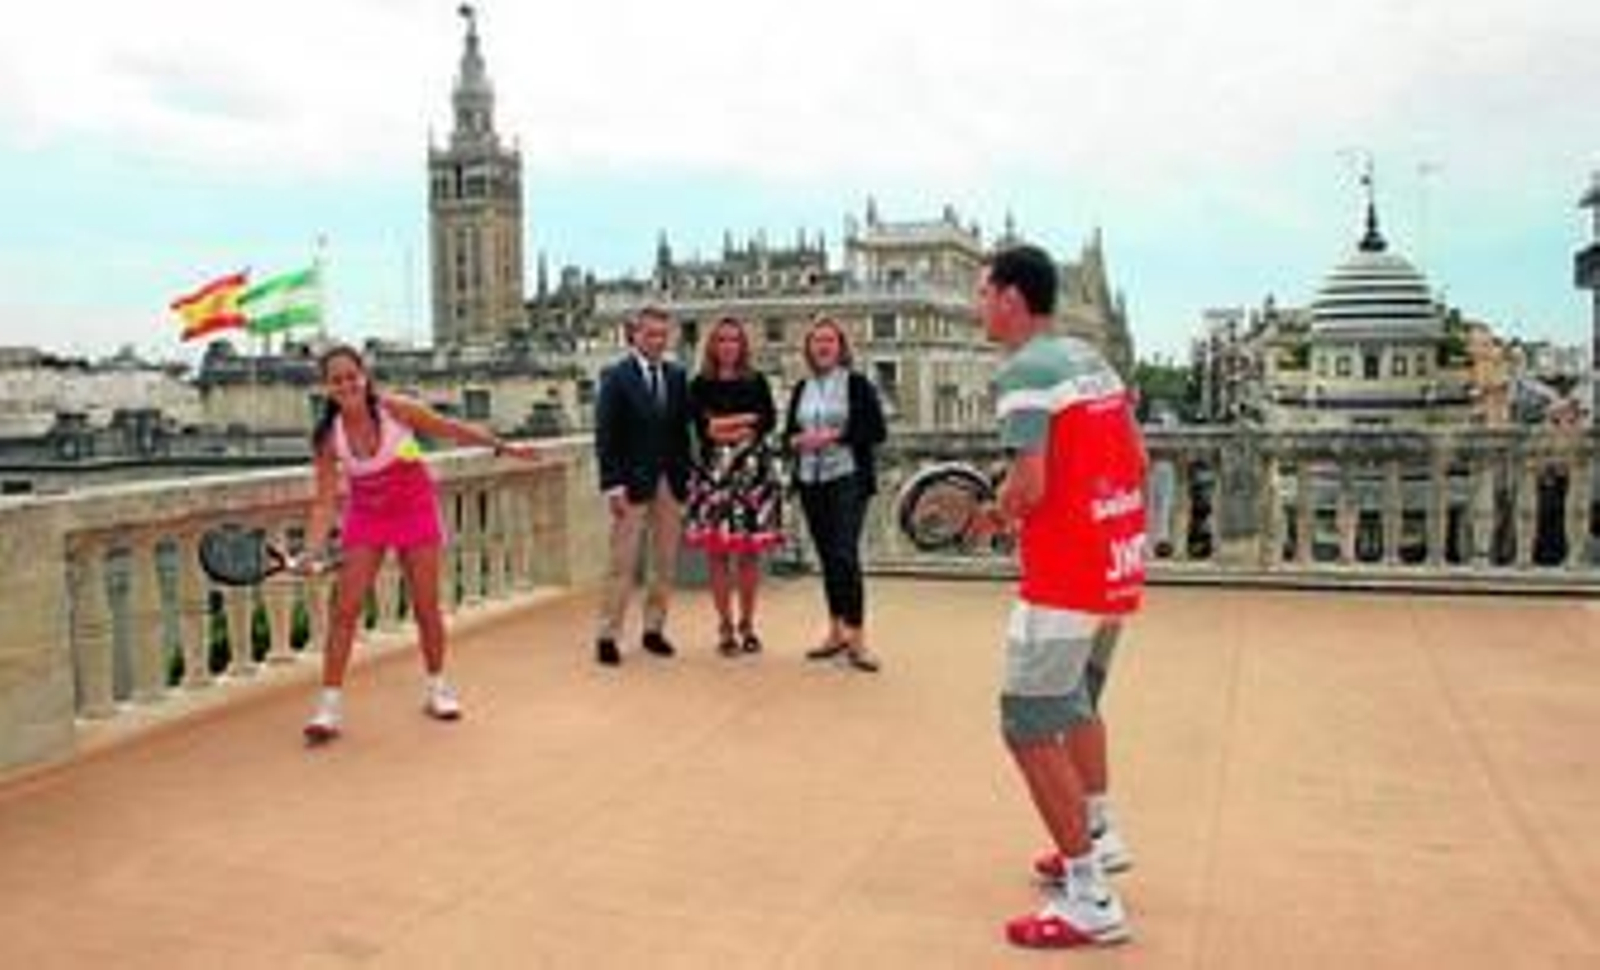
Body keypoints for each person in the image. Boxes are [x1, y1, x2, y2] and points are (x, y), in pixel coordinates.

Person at [975, 244, 1146, 948]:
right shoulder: (1088, 359)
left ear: (1011, 298)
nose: (978, 305)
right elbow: (1137, 458)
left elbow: (1029, 487)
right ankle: (1098, 832)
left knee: (1027, 723)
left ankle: (1090, 897)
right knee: (1076, 704)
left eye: (983, 292)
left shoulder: (1024, 372)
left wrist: (993, 514)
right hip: (1116, 560)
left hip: (1066, 575)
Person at [301, 344, 541, 743]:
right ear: (327, 387)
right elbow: (325, 502)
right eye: (336, 380)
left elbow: (451, 429)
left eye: (351, 376)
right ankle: (329, 708)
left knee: (426, 605)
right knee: (344, 610)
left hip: (414, 508)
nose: (346, 385)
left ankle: (438, 688)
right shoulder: (328, 437)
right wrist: (311, 550)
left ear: (364, 377)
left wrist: (504, 447)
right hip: (367, 516)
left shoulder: (397, 409)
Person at [784, 316, 887, 672]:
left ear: (841, 347)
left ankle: (858, 639)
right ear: (809, 348)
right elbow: (789, 433)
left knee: (845, 555)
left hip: (847, 477)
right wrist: (795, 441)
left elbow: (876, 429)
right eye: (817, 341)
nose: (823, 346)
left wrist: (832, 437)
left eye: (830, 340)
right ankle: (835, 631)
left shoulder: (856, 384)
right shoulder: (802, 387)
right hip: (810, 479)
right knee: (828, 558)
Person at [593, 305, 694, 666]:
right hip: (631, 483)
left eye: (662, 335)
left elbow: (683, 432)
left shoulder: (677, 376)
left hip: (670, 481)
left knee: (663, 562)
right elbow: (606, 435)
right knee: (621, 562)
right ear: (634, 335)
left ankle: (654, 629)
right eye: (650, 334)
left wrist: (686, 478)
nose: (657, 341)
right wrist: (612, 485)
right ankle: (608, 635)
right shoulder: (616, 377)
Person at [684, 317, 782, 656]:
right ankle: (725, 626)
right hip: (714, 478)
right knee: (718, 554)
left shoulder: (757, 381)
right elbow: (706, 429)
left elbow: (768, 420)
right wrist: (745, 421)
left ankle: (748, 624)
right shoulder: (699, 385)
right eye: (722, 340)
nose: (728, 346)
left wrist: (725, 424)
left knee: (749, 554)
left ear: (743, 345)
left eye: (735, 340)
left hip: (753, 477)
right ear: (712, 345)